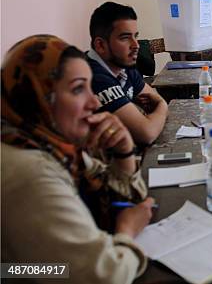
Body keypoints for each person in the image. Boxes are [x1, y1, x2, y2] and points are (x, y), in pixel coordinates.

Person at [1, 35, 155, 283]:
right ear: (39, 95)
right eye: (77, 89)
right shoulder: (31, 172)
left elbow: (127, 199)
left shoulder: (52, 144)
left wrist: (124, 152)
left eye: (90, 86)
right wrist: (126, 232)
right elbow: (102, 277)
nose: (94, 102)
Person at [88, 2, 168, 146]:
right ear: (100, 45)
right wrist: (163, 106)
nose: (135, 45)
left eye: (135, 36)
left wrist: (155, 110)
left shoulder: (122, 64)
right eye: (125, 38)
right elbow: (147, 133)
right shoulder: (95, 76)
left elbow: (153, 101)